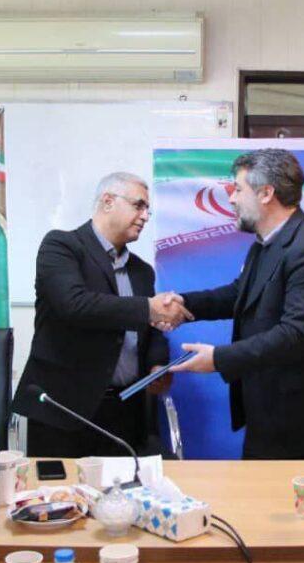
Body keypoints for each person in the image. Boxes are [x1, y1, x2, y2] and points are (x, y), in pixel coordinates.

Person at [170, 149, 304, 460]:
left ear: (266, 193)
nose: (231, 199)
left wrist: (220, 358)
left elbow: (297, 333)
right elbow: (240, 294)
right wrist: (183, 304)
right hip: (270, 411)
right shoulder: (266, 243)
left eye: (238, 189)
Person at [11, 172, 187, 457]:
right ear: (108, 201)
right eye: (138, 205)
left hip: (124, 412)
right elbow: (74, 304)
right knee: (62, 486)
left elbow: (152, 330)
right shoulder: (61, 247)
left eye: (147, 209)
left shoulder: (142, 271)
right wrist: (148, 308)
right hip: (64, 410)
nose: (145, 216)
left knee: (124, 486)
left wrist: (157, 364)